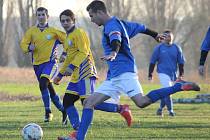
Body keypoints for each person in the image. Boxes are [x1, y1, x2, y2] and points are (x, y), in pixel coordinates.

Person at [58, 1, 200, 140]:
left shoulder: (111, 26)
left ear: (100, 12)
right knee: (89, 103)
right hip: (114, 77)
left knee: (142, 102)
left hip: (125, 73)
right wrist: (155, 34)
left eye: (92, 16)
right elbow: (141, 27)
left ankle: (177, 86)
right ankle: (79, 137)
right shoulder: (122, 23)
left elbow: (116, 39)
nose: (92, 20)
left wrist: (114, 52)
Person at [54, 9, 133, 139]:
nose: (65, 23)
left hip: (85, 72)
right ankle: (78, 130)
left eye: (68, 20)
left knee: (88, 102)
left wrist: (72, 66)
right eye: (63, 21)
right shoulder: (67, 37)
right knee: (67, 101)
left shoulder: (79, 33)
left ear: (73, 21)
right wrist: (60, 75)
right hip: (75, 76)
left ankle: (120, 109)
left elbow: (84, 52)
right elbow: (68, 57)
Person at [20, 7, 67, 124]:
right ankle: (63, 110)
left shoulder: (53, 31)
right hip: (37, 65)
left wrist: (65, 54)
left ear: (47, 16)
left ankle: (48, 111)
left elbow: (68, 39)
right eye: (39, 15)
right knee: (48, 88)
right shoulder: (31, 31)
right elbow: (23, 44)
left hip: (51, 63)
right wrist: (28, 48)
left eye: (43, 15)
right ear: (36, 16)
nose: (41, 17)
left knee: (42, 83)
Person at [148, 30, 185, 117]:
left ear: (172, 36)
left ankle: (160, 109)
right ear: (163, 37)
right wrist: (150, 74)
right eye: (166, 35)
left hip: (173, 74)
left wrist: (181, 74)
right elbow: (152, 62)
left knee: (166, 92)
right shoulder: (159, 48)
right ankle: (170, 111)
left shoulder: (177, 48)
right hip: (162, 72)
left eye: (169, 35)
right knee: (168, 90)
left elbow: (181, 62)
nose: (168, 37)